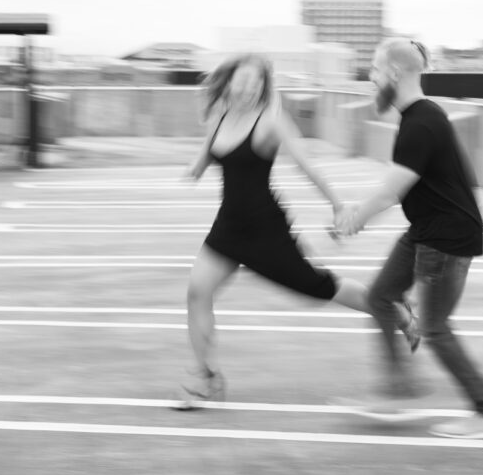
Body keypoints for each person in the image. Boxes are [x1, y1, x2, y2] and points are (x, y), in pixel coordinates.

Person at [175, 53, 418, 410]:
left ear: (264, 87)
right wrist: (192, 172)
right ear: (229, 81)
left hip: (265, 230)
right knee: (197, 292)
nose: (248, 87)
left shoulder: (271, 121)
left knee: (317, 286)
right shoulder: (220, 116)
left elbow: (307, 165)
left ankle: (393, 309)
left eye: (256, 82)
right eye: (242, 80)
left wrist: (336, 204)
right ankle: (204, 377)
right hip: (228, 229)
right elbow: (205, 158)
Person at [335, 38, 483, 440]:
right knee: (381, 297)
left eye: (376, 70)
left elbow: (390, 192)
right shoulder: (423, 117)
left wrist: (354, 220)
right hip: (429, 230)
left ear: (395, 74)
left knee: (435, 329)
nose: (371, 77)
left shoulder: (422, 121)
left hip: (445, 239)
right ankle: (398, 393)